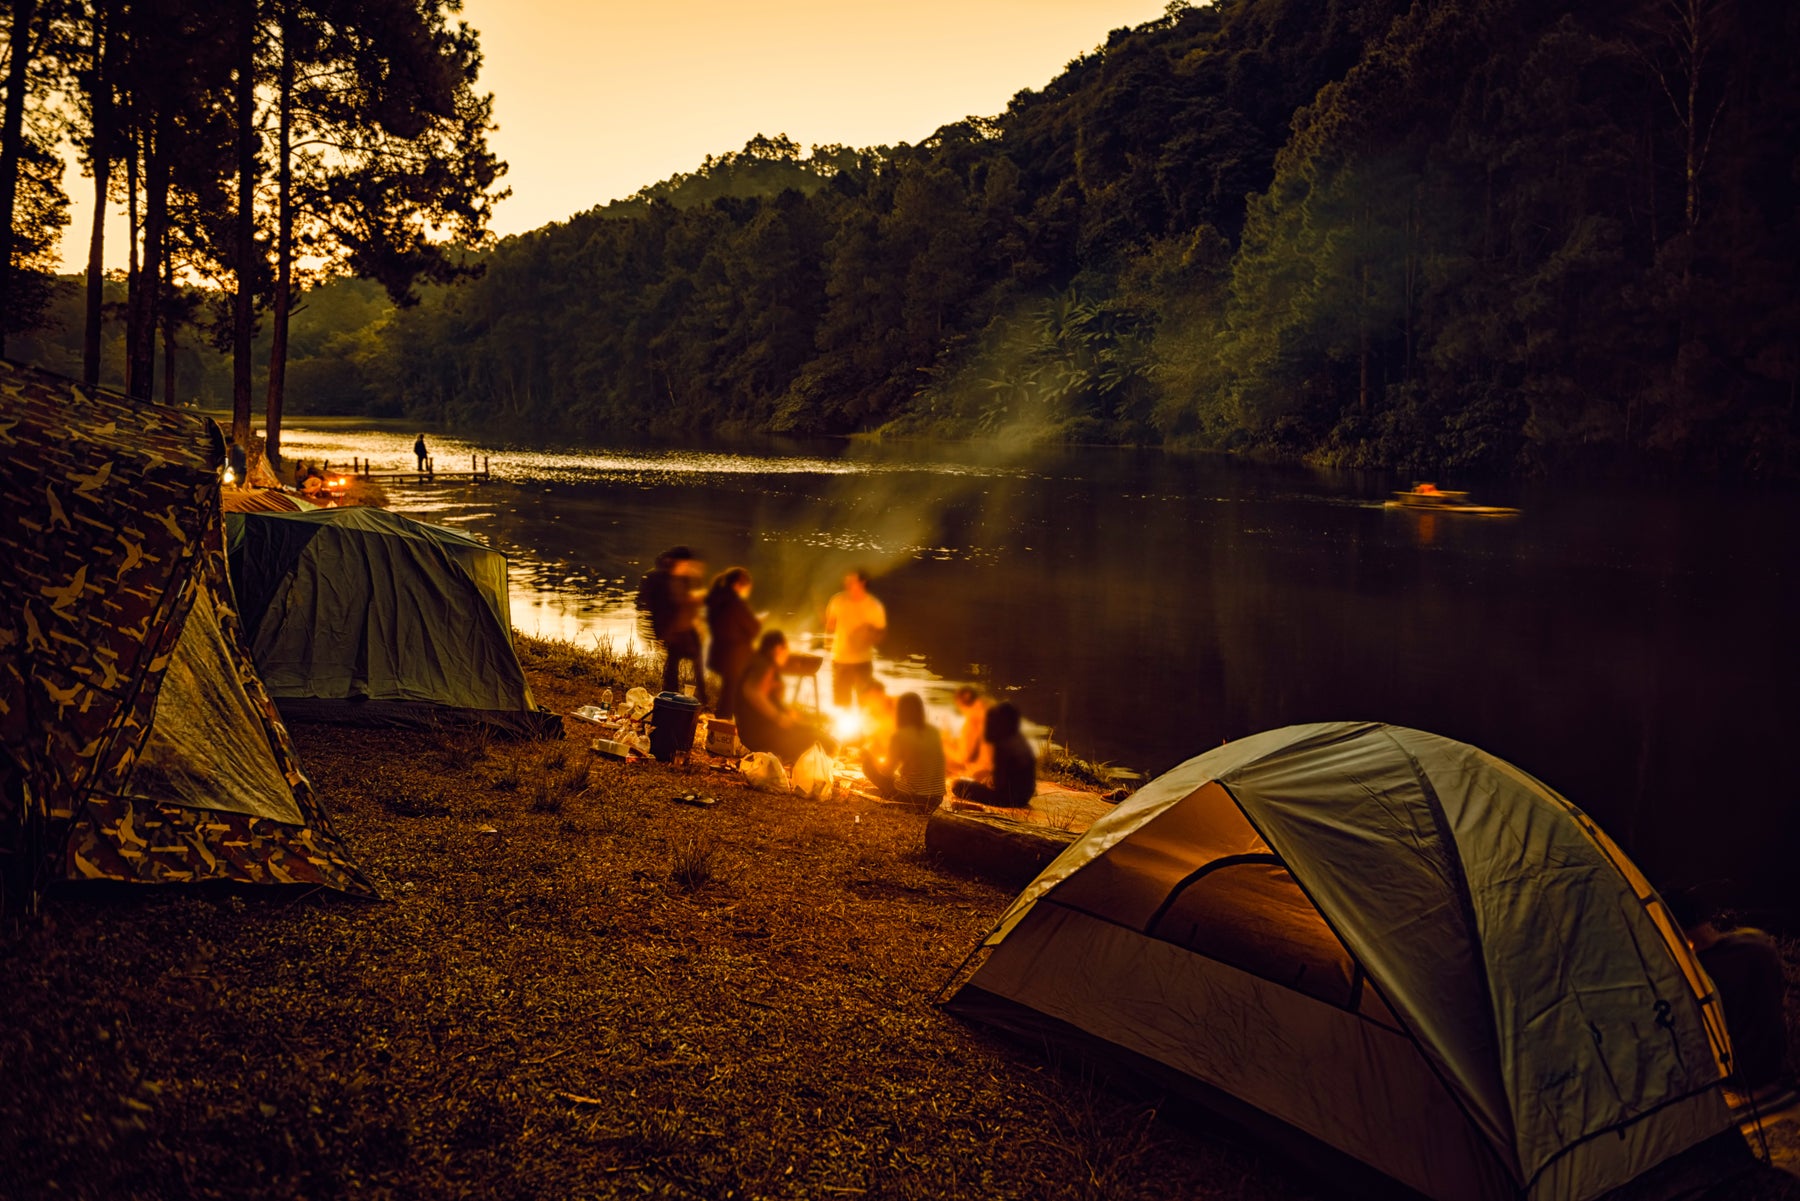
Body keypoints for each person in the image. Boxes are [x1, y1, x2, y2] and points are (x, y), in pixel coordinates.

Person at [1668, 889, 1793, 1096]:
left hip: (1739, 1078)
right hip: (1776, 1066)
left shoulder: (1698, 973)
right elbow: (1780, 1000)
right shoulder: (1758, 943)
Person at [736, 630, 832, 763]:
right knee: (820, 740)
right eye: (785, 649)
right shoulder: (764, 665)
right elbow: (753, 692)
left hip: (753, 732)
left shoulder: (759, 663)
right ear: (777, 649)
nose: (787, 653)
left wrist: (787, 713)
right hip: (759, 734)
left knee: (811, 731)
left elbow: (766, 695)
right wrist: (779, 717)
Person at [635, 546, 708, 705]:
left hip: (686, 628)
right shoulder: (659, 579)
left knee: (691, 662)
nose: (689, 566)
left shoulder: (685, 577)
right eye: (686, 563)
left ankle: (698, 697)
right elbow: (655, 605)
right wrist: (650, 634)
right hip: (673, 630)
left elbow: (688, 605)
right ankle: (672, 698)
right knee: (675, 663)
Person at [861, 692, 946, 809]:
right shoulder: (933, 732)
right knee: (901, 777)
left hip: (914, 797)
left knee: (867, 765)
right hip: (936, 799)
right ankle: (887, 792)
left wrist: (872, 758)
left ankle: (890, 794)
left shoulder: (900, 735)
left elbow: (887, 771)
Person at [951, 701, 1035, 807]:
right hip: (1024, 797)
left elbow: (998, 784)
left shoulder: (1002, 745)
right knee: (978, 775)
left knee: (956, 785)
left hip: (1007, 799)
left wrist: (988, 781)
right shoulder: (1018, 739)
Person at [824, 568, 886, 707]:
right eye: (846, 581)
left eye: (852, 581)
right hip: (840, 660)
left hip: (862, 661)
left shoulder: (873, 606)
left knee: (864, 702)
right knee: (841, 702)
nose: (847, 584)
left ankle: (864, 728)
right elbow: (830, 626)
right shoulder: (837, 601)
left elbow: (881, 633)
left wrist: (869, 636)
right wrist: (828, 647)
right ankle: (842, 727)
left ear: (862, 583)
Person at [704, 566, 760, 720]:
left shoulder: (716, 598)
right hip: (734, 656)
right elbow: (753, 628)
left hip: (719, 652)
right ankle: (724, 727)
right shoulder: (735, 603)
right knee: (731, 693)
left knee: (728, 691)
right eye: (747, 587)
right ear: (738, 585)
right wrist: (757, 622)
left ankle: (722, 722)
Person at [946, 685, 992, 778]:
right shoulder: (991, 712)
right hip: (1005, 772)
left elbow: (963, 757)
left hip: (985, 773)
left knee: (944, 761)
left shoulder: (973, 720)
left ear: (959, 703)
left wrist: (945, 745)